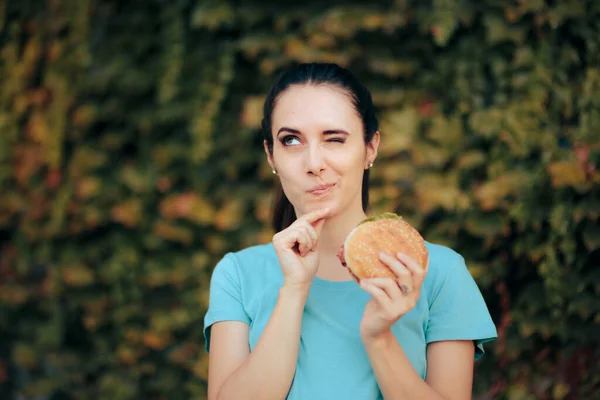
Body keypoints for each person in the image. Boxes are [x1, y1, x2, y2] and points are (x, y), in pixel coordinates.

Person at [203, 62, 497, 400]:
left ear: (370, 147)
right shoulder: (238, 275)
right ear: (271, 155)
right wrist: (294, 291)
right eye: (292, 140)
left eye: (334, 139)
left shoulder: (438, 272)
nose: (314, 162)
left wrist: (379, 338)